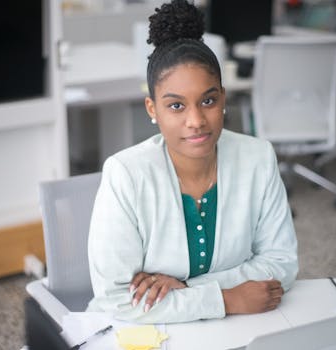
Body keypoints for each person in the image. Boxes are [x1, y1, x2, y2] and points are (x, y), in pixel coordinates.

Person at [87, 0, 298, 323]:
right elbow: (116, 299)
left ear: (223, 99)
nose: (196, 120)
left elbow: (281, 264)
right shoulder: (125, 174)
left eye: (208, 101)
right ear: (152, 109)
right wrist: (227, 299)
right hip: (144, 334)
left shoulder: (258, 158)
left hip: (234, 330)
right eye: (176, 106)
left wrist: (186, 288)